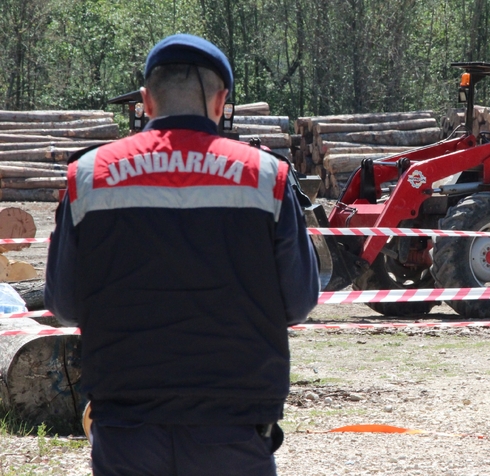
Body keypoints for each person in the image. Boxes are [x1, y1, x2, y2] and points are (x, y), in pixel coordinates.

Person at [44, 33, 319, 476]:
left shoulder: (89, 176)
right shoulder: (266, 176)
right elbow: (300, 301)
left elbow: (63, 305)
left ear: (147, 101)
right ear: (221, 100)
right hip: (234, 427)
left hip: (125, 426)